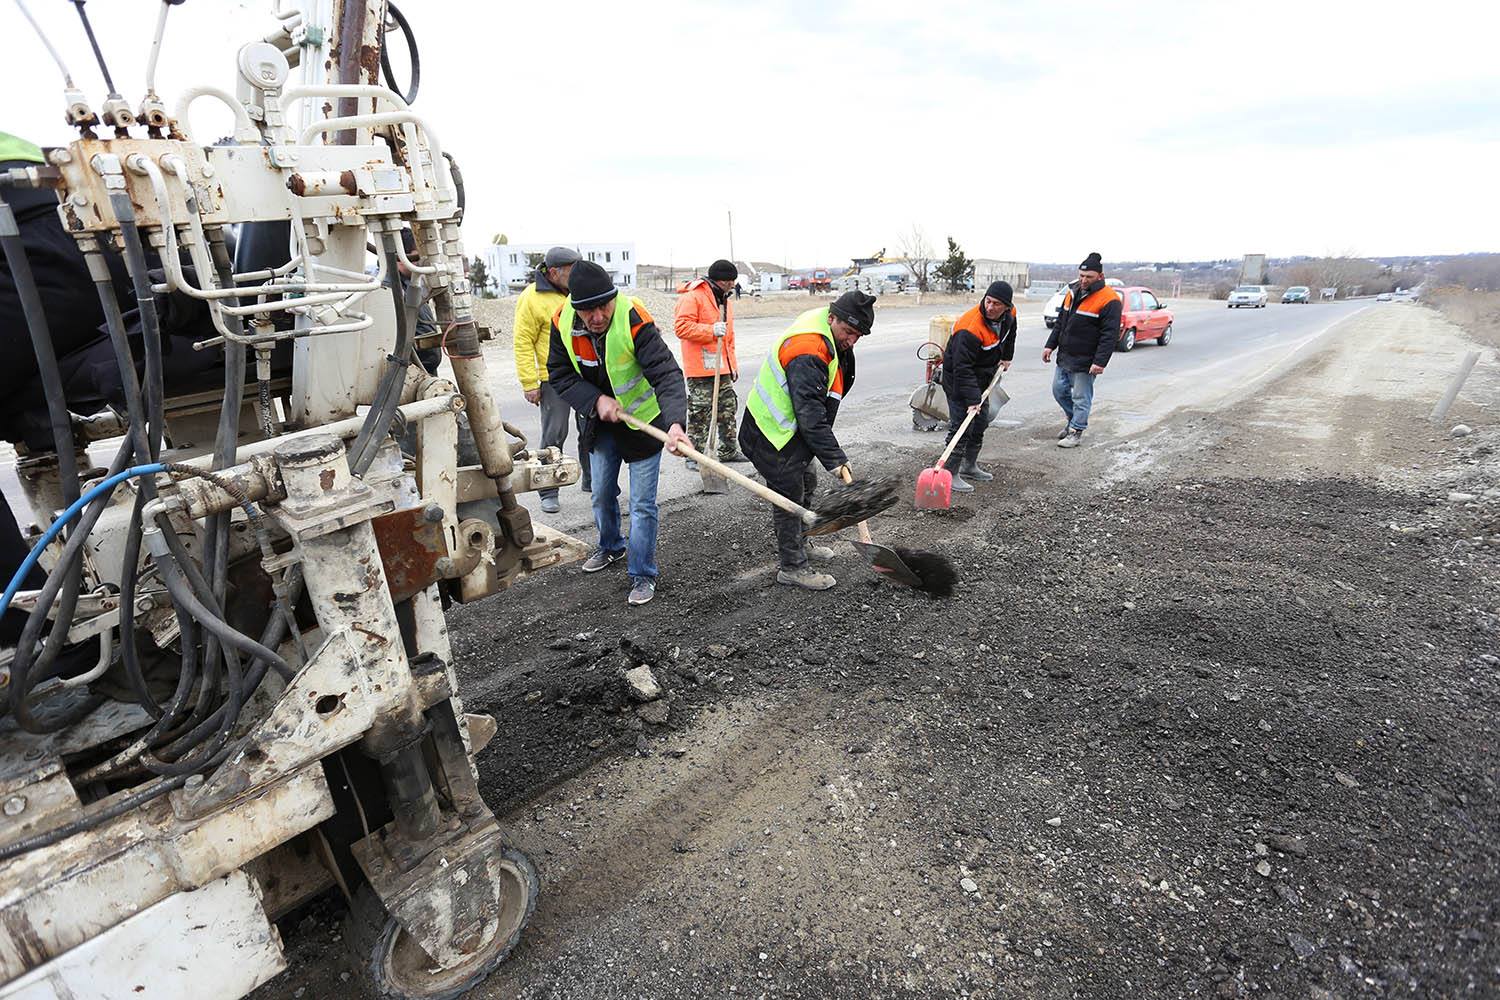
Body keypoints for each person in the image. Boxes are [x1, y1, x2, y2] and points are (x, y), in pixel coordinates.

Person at [546, 261, 688, 606]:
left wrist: (675, 424)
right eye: (587, 310)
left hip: (644, 423)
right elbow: (560, 374)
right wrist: (595, 401)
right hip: (600, 422)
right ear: (575, 307)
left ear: (613, 298)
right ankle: (610, 546)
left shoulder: (633, 319)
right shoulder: (561, 321)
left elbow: (666, 375)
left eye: (602, 306)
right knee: (601, 493)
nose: (596, 316)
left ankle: (642, 573)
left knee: (641, 505)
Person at [739, 290, 875, 591]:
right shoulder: (809, 349)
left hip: (789, 430)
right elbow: (811, 415)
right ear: (832, 318)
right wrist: (836, 459)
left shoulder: (828, 328)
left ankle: (802, 542)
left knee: (808, 481)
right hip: (769, 432)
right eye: (849, 332)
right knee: (789, 497)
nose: (851, 340)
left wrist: (829, 456)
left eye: (858, 336)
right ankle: (793, 567)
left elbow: (814, 410)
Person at [514, 246, 582, 511]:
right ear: (554, 272)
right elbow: (522, 342)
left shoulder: (577, 291)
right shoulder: (532, 298)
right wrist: (529, 383)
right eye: (571, 273)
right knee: (555, 433)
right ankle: (547, 489)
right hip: (552, 378)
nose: (576, 277)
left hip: (584, 373)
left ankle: (592, 479)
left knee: (591, 430)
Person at [672, 258, 750, 471]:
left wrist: (733, 366)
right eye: (731, 281)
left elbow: (729, 337)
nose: (733, 285)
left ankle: (728, 450)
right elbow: (681, 327)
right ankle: (693, 455)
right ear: (721, 281)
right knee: (700, 411)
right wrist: (710, 330)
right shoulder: (693, 297)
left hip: (721, 366)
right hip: (699, 368)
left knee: (727, 407)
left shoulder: (724, 300)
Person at [942, 280, 1017, 492]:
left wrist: (1007, 356)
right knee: (961, 426)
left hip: (983, 376)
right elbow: (962, 368)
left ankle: (969, 466)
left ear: (1007, 307)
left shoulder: (1010, 315)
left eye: (996, 304)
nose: (990, 307)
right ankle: (949, 473)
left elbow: (1011, 332)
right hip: (958, 378)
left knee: (981, 422)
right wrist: (973, 400)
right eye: (988, 301)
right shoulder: (970, 327)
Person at [1043, 252, 1121, 448]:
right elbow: (1061, 322)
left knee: (1080, 397)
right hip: (1065, 355)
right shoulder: (1072, 293)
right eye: (1081, 276)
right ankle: (1072, 421)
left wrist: (1100, 362)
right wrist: (1050, 345)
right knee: (1059, 391)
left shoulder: (1109, 300)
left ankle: (1076, 431)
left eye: (1089, 277)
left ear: (1100, 277)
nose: (1084, 280)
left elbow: (1109, 335)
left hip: (1086, 360)